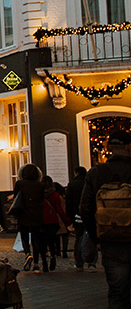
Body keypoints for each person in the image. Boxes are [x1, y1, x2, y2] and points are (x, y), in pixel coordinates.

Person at [80, 130, 131, 309]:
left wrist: (96, 237)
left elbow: (84, 209)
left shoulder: (96, 172)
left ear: (108, 148)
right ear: (129, 147)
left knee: (117, 291)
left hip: (110, 238)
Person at [12, 163, 45, 271]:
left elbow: (16, 197)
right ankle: (36, 263)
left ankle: (27, 254)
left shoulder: (20, 184)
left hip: (23, 213)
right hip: (36, 214)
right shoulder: (40, 185)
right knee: (36, 239)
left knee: (25, 237)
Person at [68, 166, 95, 269]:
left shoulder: (72, 185)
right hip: (90, 214)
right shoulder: (90, 183)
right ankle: (91, 262)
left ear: (76, 173)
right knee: (91, 237)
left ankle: (79, 262)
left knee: (78, 238)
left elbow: (69, 202)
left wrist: (70, 216)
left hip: (77, 215)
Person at [39, 175, 67, 272]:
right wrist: (66, 221)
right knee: (52, 241)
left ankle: (44, 262)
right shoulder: (55, 195)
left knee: (42, 243)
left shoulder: (39, 195)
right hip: (53, 221)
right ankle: (53, 256)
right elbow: (60, 210)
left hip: (41, 220)